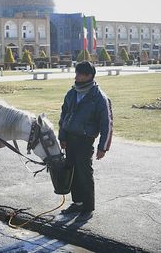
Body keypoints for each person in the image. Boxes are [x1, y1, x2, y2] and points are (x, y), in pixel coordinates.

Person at [58, 61, 113, 222]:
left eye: (79, 74)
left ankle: (87, 208)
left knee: (84, 174)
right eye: (76, 73)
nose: (76, 77)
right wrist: (62, 136)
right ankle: (78, 202)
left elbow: (107, 124)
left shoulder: (100, 98)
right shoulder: (72, 93)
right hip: (69, 139)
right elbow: (63, 117)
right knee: (72, 172)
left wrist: (102, 147)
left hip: (85, 141)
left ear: (89, 76)